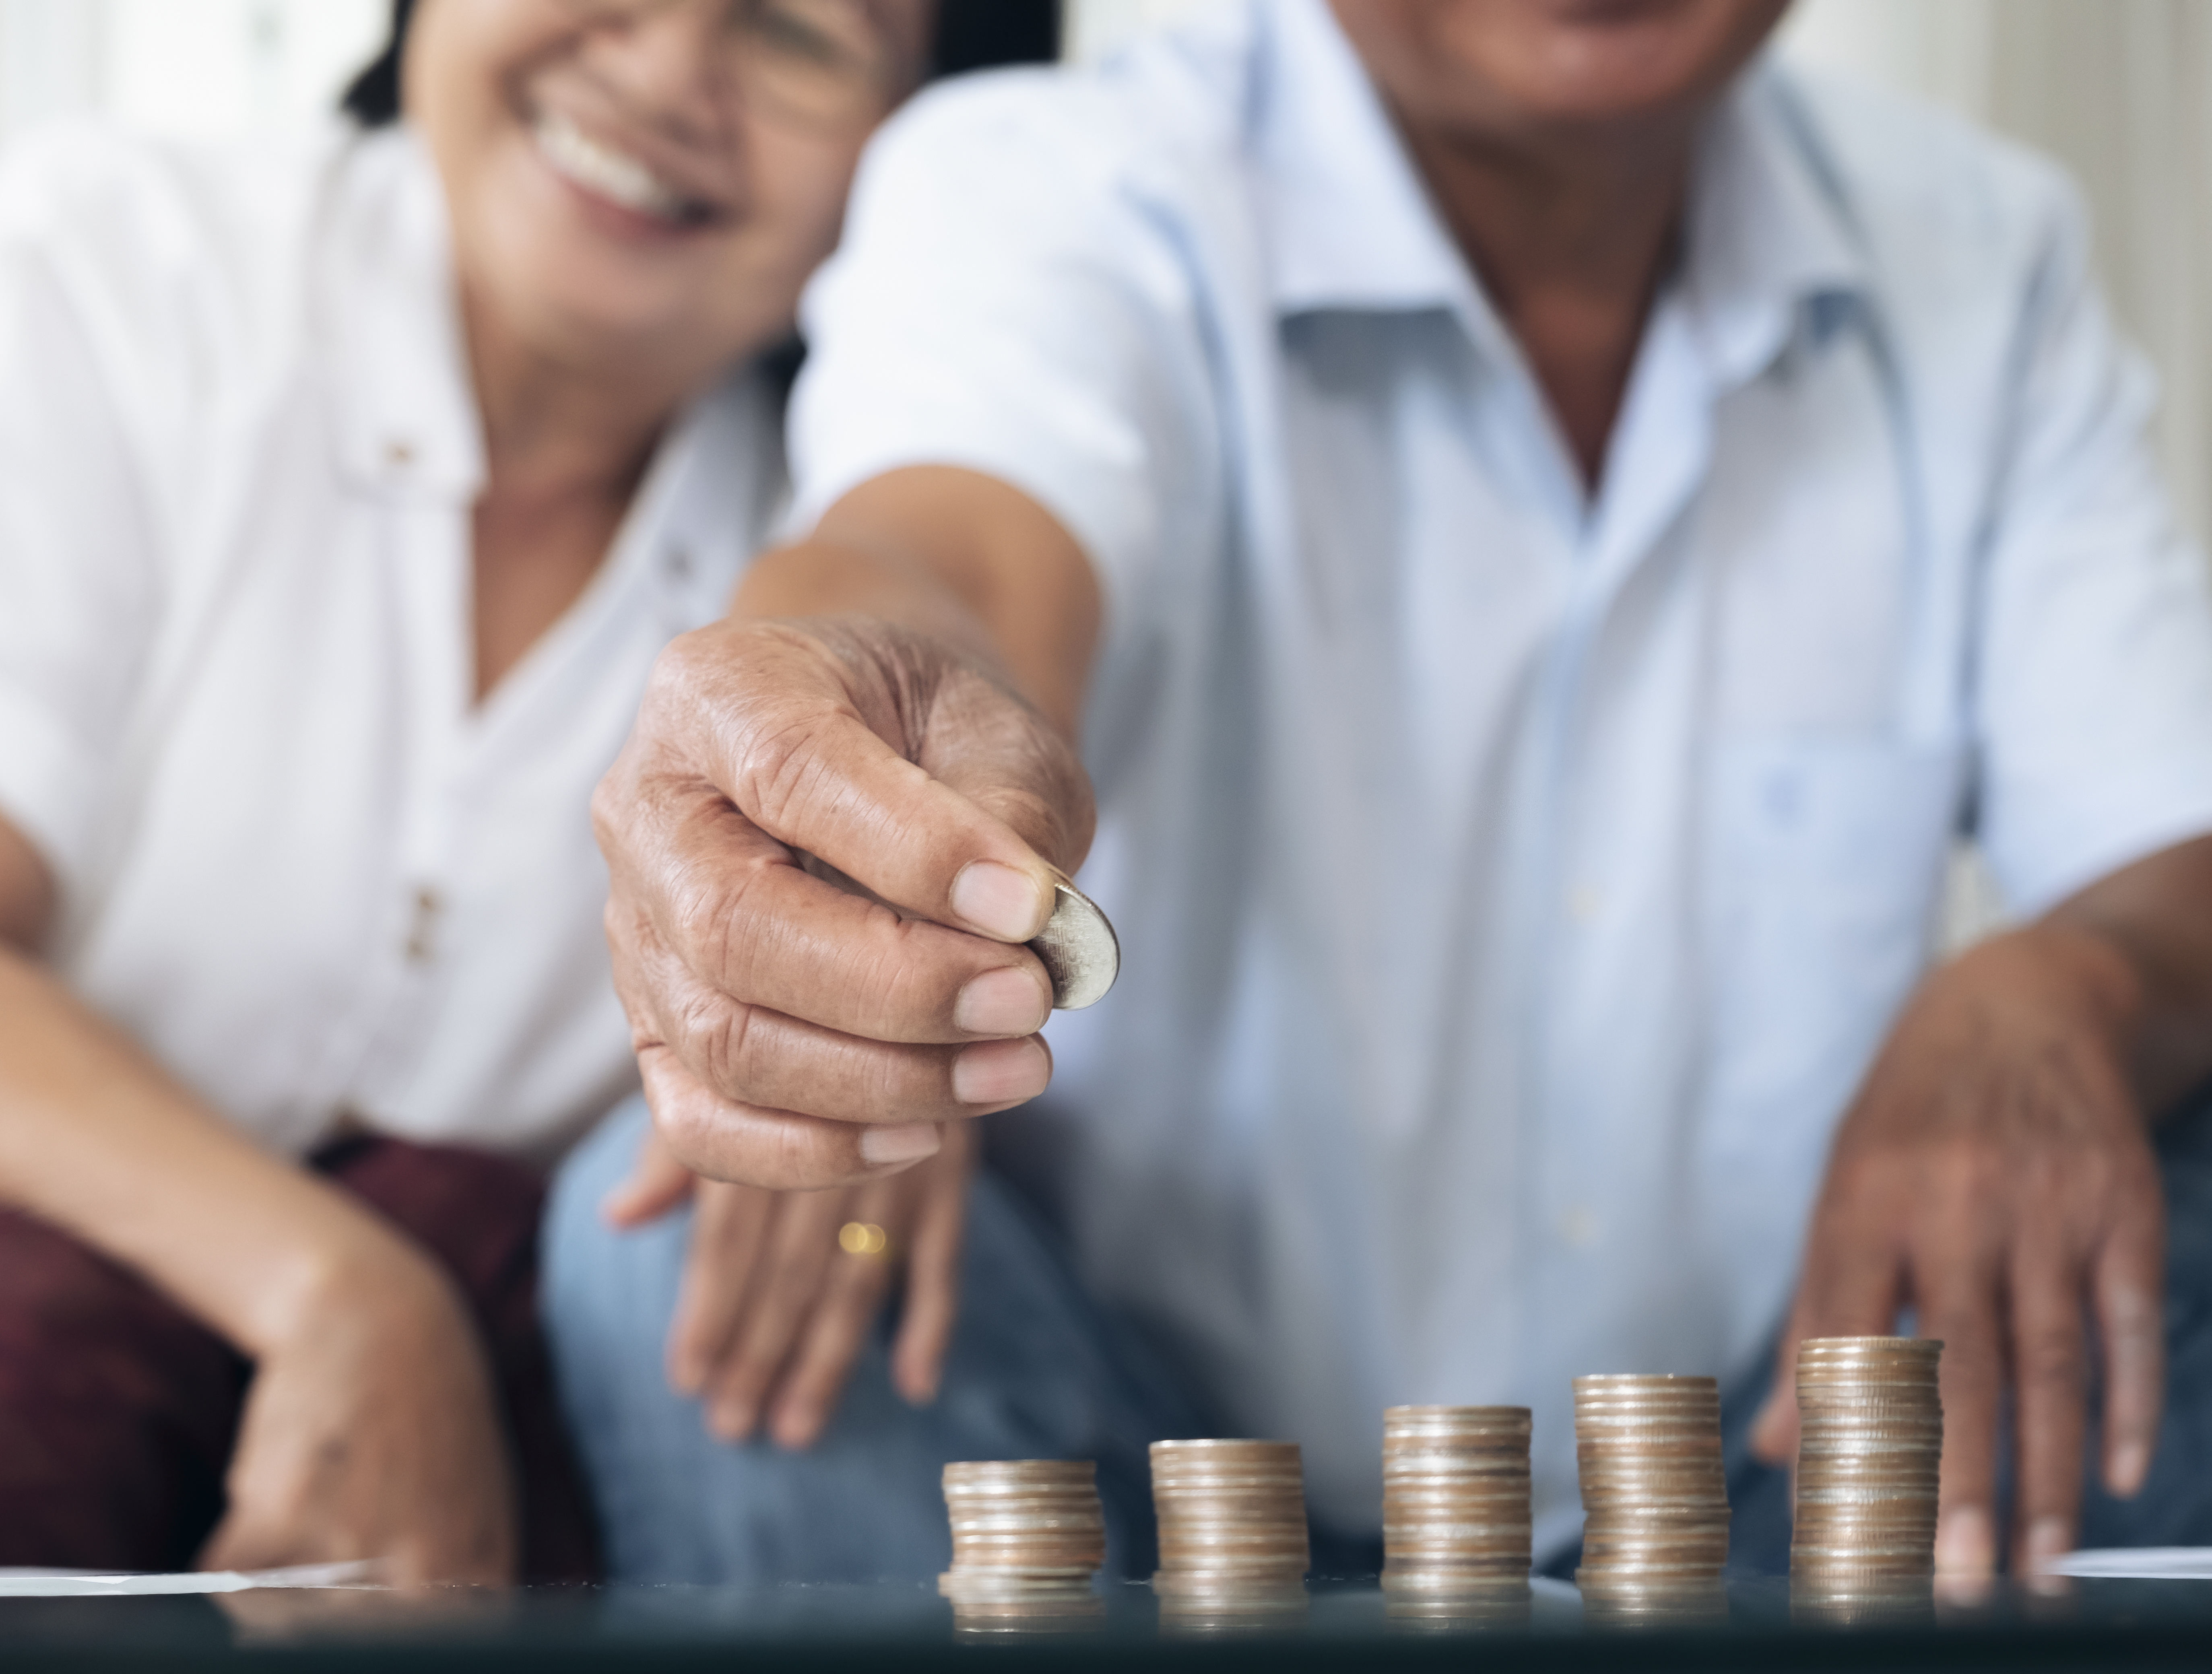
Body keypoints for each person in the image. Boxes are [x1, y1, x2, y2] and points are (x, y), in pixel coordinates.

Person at [568, 0, 2212, 1581]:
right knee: (655, 1238)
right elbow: (950, 547)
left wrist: (2067, 983)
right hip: (1130, 1472)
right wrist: (863, 778)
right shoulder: (1049, 178)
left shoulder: (1986, 251)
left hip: (1774, 1487)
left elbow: (2166, 838)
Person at [0, 0, 1059, 1583]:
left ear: (931, 136)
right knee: (7, 1338)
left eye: (796, 33)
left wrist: (899, 1054)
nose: (669, 72)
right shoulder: (122, 262)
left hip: (425, 1404)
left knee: (556, 1273)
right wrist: (341, 1291)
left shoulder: (838, 584)